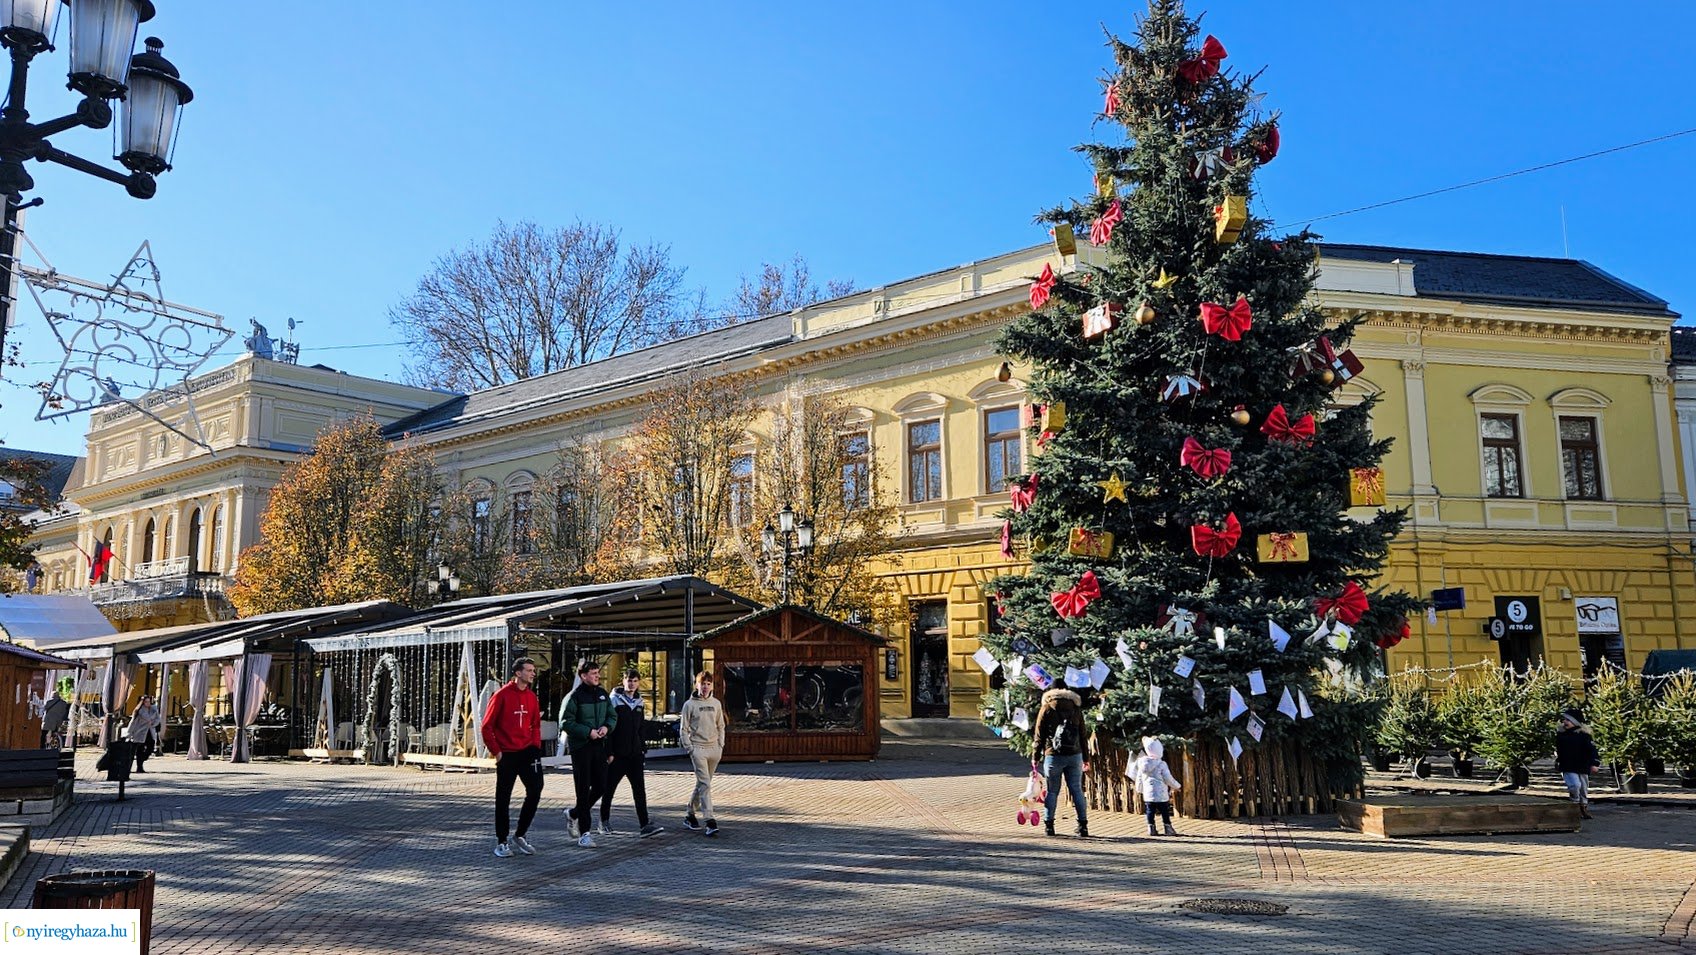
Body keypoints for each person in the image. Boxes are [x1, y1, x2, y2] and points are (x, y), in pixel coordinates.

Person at [481, 657, 545, 858]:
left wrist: (535, 746)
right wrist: (497, 752)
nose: (533, 673)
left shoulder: (532, 697)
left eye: (533, 670)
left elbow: (535, 724)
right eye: (529, 670)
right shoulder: (501, 695)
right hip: (507, 753)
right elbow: (487, 726)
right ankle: (501, 841)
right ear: (518, 673)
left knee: (535, 789)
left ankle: (520, 834)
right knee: (503, 797)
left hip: (528, 751)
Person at [559, 660, 616, 847]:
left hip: (599, 746)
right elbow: (565, 722)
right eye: (593, 673)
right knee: (582, 790)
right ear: (583, 676)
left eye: (598, 673)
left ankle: (574, 813)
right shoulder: (574, 697)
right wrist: (587, 732)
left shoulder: (602, 694)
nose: (597, 676)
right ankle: (585, 833)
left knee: (601, 786)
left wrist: (607, 727)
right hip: (581, 747)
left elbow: (612, 715)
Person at [600, 668, 663, 838]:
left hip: (635, 754)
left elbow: (641, 728)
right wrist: (610, 752)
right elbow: (610, 728)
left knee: (639, 790)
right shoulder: (614, 700)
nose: (632, 684)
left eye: (635, 681)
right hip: (618, 755)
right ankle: (603, 821)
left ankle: (644, 825)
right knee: (609, 789)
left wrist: (643, 748)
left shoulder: (640, 702)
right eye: (629, 680)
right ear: (623, 680)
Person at [1031, 686, 1088, 837]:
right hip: (1075, 755)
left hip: (1053, 755)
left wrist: (1035, 757)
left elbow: (1039, 736)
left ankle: (1049, 826)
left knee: (1052, 791)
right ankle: (1083, 826)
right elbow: (1083, 735)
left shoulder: (1047, 708)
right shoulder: (1076, 708)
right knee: (1076, 789)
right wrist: (1086, 758)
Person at [678, 669, 726, 836]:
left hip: (714, 748)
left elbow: (721, 725)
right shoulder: (689, 705)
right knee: (705, 784)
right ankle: (710, 820)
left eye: (708, 684)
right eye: (702, 683)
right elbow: (683, 729)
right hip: (697, 748)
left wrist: (721, 744)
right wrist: (689, 747)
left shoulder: (716, 704)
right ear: (696, 684)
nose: (705, 687)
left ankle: (690, 815)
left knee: (702, 784)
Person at [1129, 735, 1182, 836]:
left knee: (1150, 811)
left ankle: (1151, 828)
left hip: (1148, 794)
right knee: (1164, 811)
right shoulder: (1161, 764)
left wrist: (1139, 789)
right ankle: (1168, 828)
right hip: (1161, 794)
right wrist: (1177, 786)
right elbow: (1168, 778)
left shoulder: (1142, 764)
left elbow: (1139, 778)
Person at [1555, 708, 1600, 820]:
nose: (1565, 722)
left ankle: (1583, 807)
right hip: (1568, 766)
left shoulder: (1584, 736)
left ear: (1575, 722)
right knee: (1575, 785)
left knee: (1583, 788)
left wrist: (1594, 763)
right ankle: (1574, 804)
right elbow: (1560, 751)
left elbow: (1592, 750)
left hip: (1582, 765)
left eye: (1568, 720)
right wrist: (1558, 761)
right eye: (1564, 719)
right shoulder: (1561, 735)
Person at [127, 695, 164, 773]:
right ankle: (139, 767)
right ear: (142, 702)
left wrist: (153, 723)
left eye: (149, 701)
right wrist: (129, 733)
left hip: (150, 731)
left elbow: (158, 719)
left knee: (150, 747)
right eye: (146, 702)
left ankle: (143, 759)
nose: (148, 703)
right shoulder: (139, 711)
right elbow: (133, 722)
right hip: (140, 732)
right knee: (139, 749)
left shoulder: (153, 709)